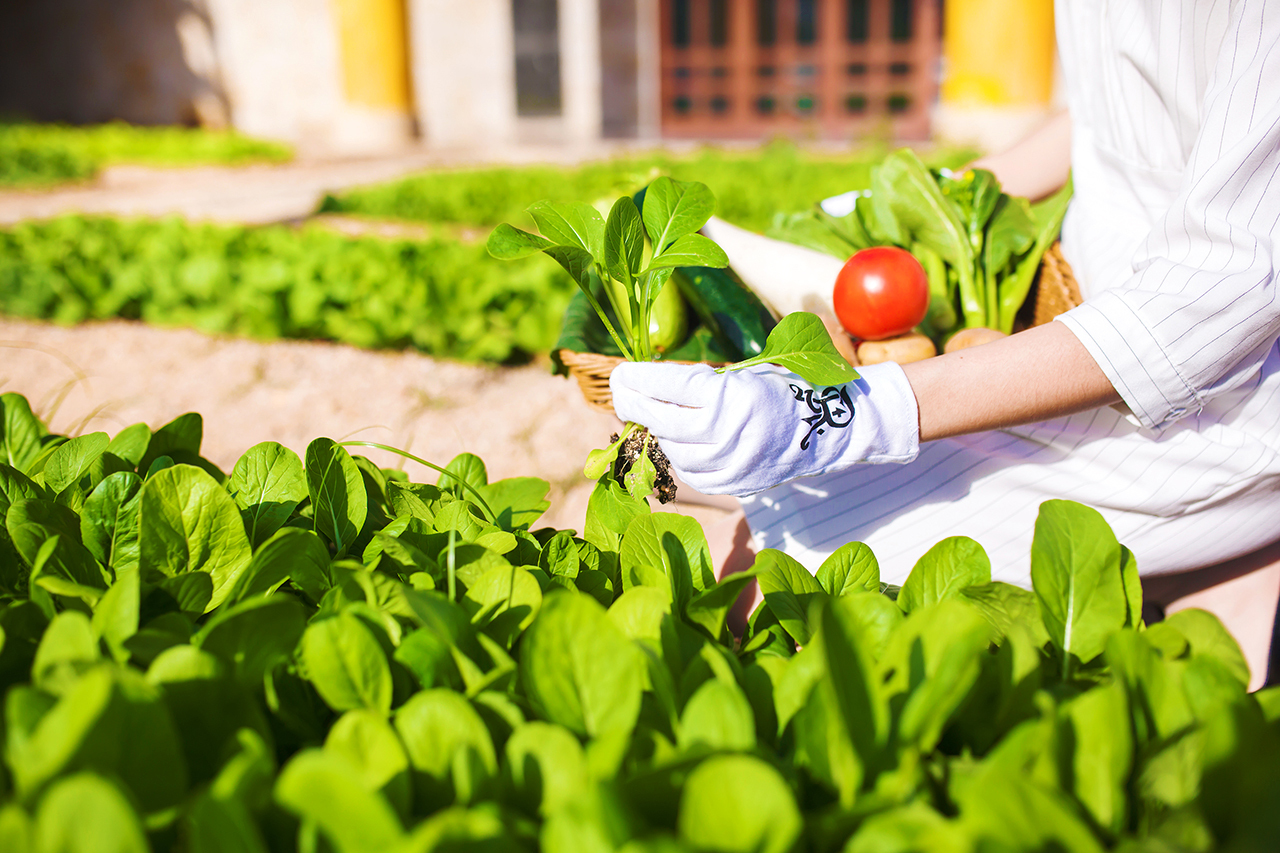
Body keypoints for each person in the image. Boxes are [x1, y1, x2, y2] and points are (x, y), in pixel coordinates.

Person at [610, 1, 1280, 689]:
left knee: (771, 571)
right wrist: (942, 198)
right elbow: (1112, 104)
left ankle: (1232, 548)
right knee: (724, 482)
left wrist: (855, 415)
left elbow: (1213, 304)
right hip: (1067, 344)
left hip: (1218, 405)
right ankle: (1220, 567)